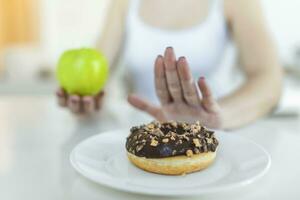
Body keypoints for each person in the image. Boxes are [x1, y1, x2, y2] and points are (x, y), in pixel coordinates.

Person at [56, 0, 282, 130]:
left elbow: (269, 79)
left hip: (214, 134)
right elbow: (99, 74)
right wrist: (88, 103)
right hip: (142, 136)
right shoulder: (124, 3)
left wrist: (217, 116)